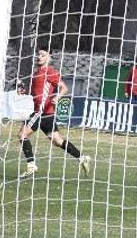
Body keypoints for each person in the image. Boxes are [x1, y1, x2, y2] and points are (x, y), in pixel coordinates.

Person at [19, 47, 90, 178]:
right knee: (57, 141)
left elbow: (64, 88)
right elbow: (37, 92)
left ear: (49, 58)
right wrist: (25, 91)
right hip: (47, 114)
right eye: (38, 55)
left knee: (22, 135)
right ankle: (82, 157)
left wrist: (58, 97)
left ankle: (31, 165)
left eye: (42, 55)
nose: (39, 57)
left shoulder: (49, 72)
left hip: (40, 113)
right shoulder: (36, 73)